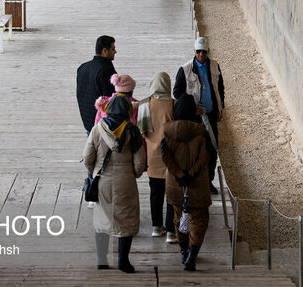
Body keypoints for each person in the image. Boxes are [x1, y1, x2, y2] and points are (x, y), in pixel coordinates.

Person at [83, 95, 146, 273]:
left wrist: (92, 173)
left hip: (102, 179)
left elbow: (88, 157)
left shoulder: (97, 129)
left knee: (102, 218)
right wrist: (133, 173)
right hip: (125, 180)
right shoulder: (133, 131)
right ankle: (123, 261)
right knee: (126, 218)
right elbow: (140, 162)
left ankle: (102, 260)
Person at [161, 94, 211, 271]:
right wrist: (190, 174)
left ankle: (182, 251)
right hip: (197, 185)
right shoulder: (201, 132)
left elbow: (165, 157)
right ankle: (192, 254)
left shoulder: (167, 132)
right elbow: (205, 156)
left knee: (177, 218)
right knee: (199, 219)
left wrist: (180, 174)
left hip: (175, 184)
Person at [173, 36, 224, 194]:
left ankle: (208, 182)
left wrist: (221, 108)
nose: (201, 55)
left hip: (210, 116)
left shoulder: (215, 66)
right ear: (194, 51)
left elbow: (220, 89)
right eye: (198, 52)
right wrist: (193, 107)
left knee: (212, 150)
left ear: (208, 51)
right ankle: (195, 182)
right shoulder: (185, 69)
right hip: (194, 119)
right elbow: (177, 93)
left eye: (204, 52)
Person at [137, 72, 176, 242]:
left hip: (152, 156)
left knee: (155, 194)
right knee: (171, 195)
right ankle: (170, 232)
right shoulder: (174, 104)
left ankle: (156, 227)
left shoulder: (145, 105)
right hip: (170, 156)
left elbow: (142, 131)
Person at [76, 35, 117, 134]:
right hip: (102, 125)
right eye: (113, 49)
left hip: (87, 122)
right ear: (104, 51)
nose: (115, 51)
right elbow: (111, 98)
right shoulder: (106, 69)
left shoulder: (82, 67)